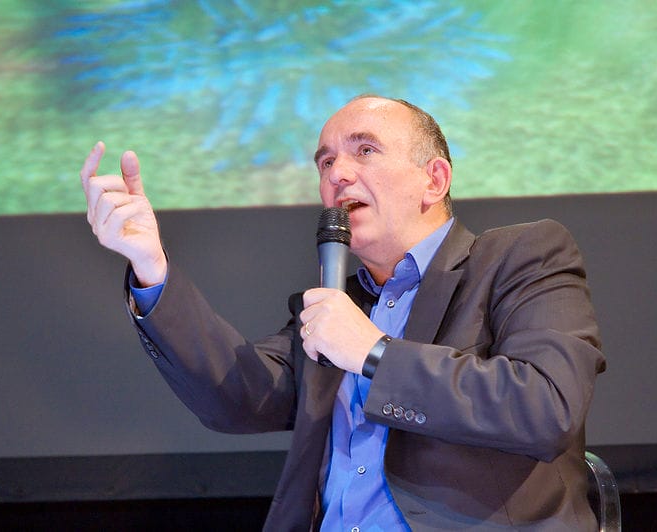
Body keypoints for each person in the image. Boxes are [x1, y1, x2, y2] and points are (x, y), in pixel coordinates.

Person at [80, 95, 606, 530]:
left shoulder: (520, 257)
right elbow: (236, 398)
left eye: (365, 150)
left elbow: (546, 407)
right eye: (325, 162)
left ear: (434, 179)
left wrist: (373, 353)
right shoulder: (336, 306)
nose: (338, 174)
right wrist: (151, 267)